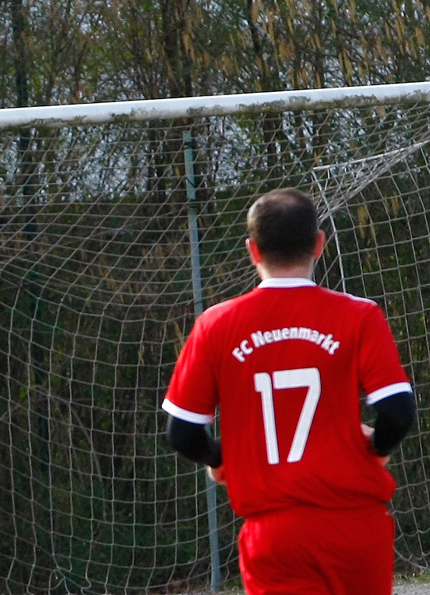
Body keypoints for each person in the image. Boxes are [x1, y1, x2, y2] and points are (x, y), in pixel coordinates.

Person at [161, 187, 417, 595]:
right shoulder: (359, 315)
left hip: (273, 533)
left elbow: (182, 432)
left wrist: (221, 457)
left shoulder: (216, 324)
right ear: (319, 244)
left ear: (252, 251)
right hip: (355, 527)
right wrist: (377, 449)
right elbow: (399, 411)